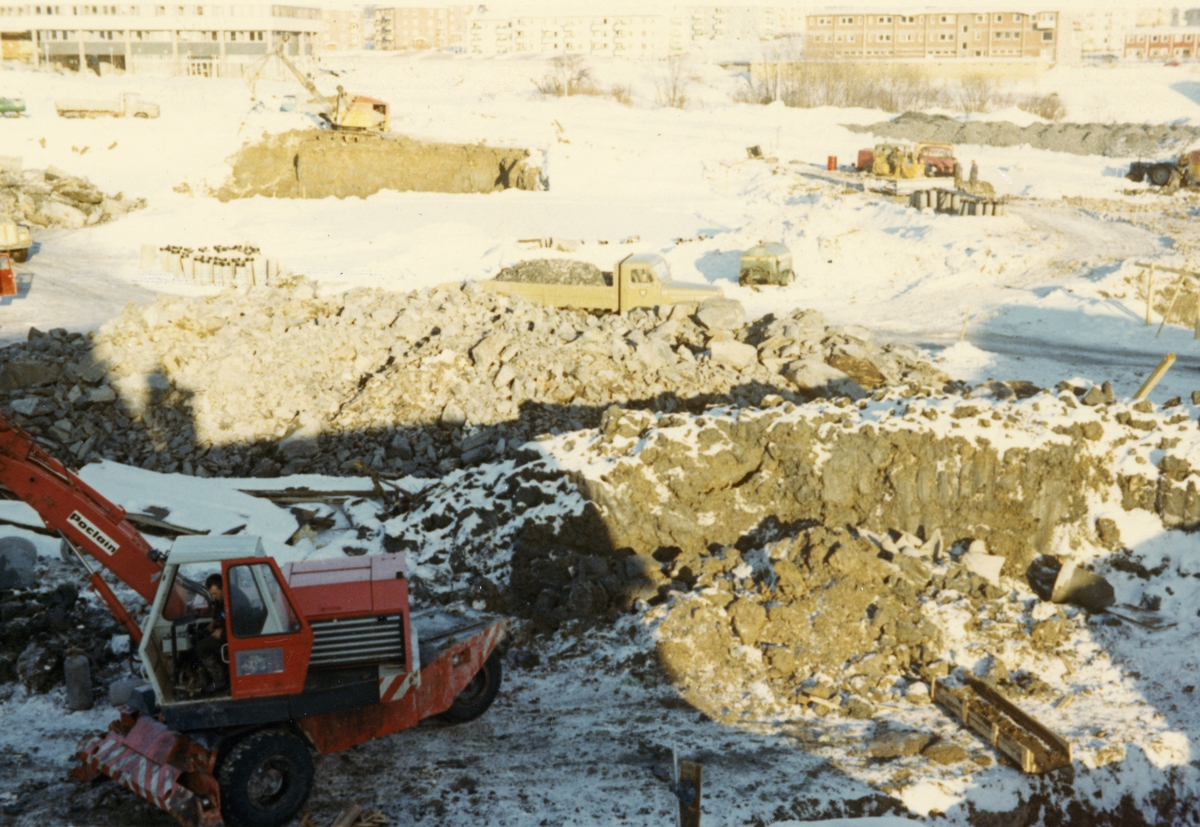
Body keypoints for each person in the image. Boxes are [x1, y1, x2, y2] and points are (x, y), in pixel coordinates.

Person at [196, 573, 229, 692]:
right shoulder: (220, 599)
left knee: (201, 647)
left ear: (223, 588)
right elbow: (222, 614)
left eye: (215, 593)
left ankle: (220, 682)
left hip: (232, 632)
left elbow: (235, 619)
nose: (213, 596)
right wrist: (215, 622)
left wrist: (222, 630)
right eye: (212, 594)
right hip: (226, 628)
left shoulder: (230, 600)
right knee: (200, 635)